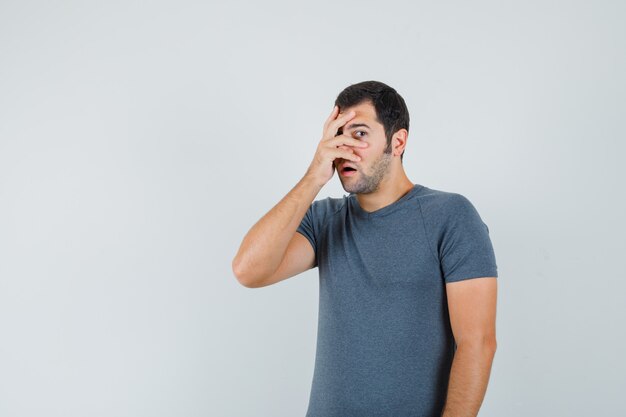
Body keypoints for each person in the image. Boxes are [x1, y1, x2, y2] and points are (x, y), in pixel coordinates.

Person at [232, 80, 498, 417]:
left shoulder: (450, 215)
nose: (344, 147)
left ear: (397, 141)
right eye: (337, 134)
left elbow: (477, 344)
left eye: (358, 134)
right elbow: (248, 271)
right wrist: (314, 175)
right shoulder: (324, 220)